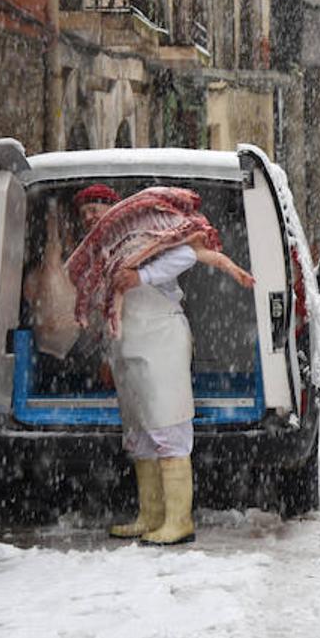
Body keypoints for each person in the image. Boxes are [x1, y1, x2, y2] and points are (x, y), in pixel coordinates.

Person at [68, 183, 255, 545]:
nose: (91, 214)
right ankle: (150, 515)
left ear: (114, 208)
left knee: (167, 425)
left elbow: (187, 255)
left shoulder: (144, 230)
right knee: (139, 432)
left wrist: (142, 277)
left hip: (161, 339)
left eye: (97, 207)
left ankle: (178, 521)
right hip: (128, 344)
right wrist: (109, 354)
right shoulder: (104, 252)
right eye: (85, 210)